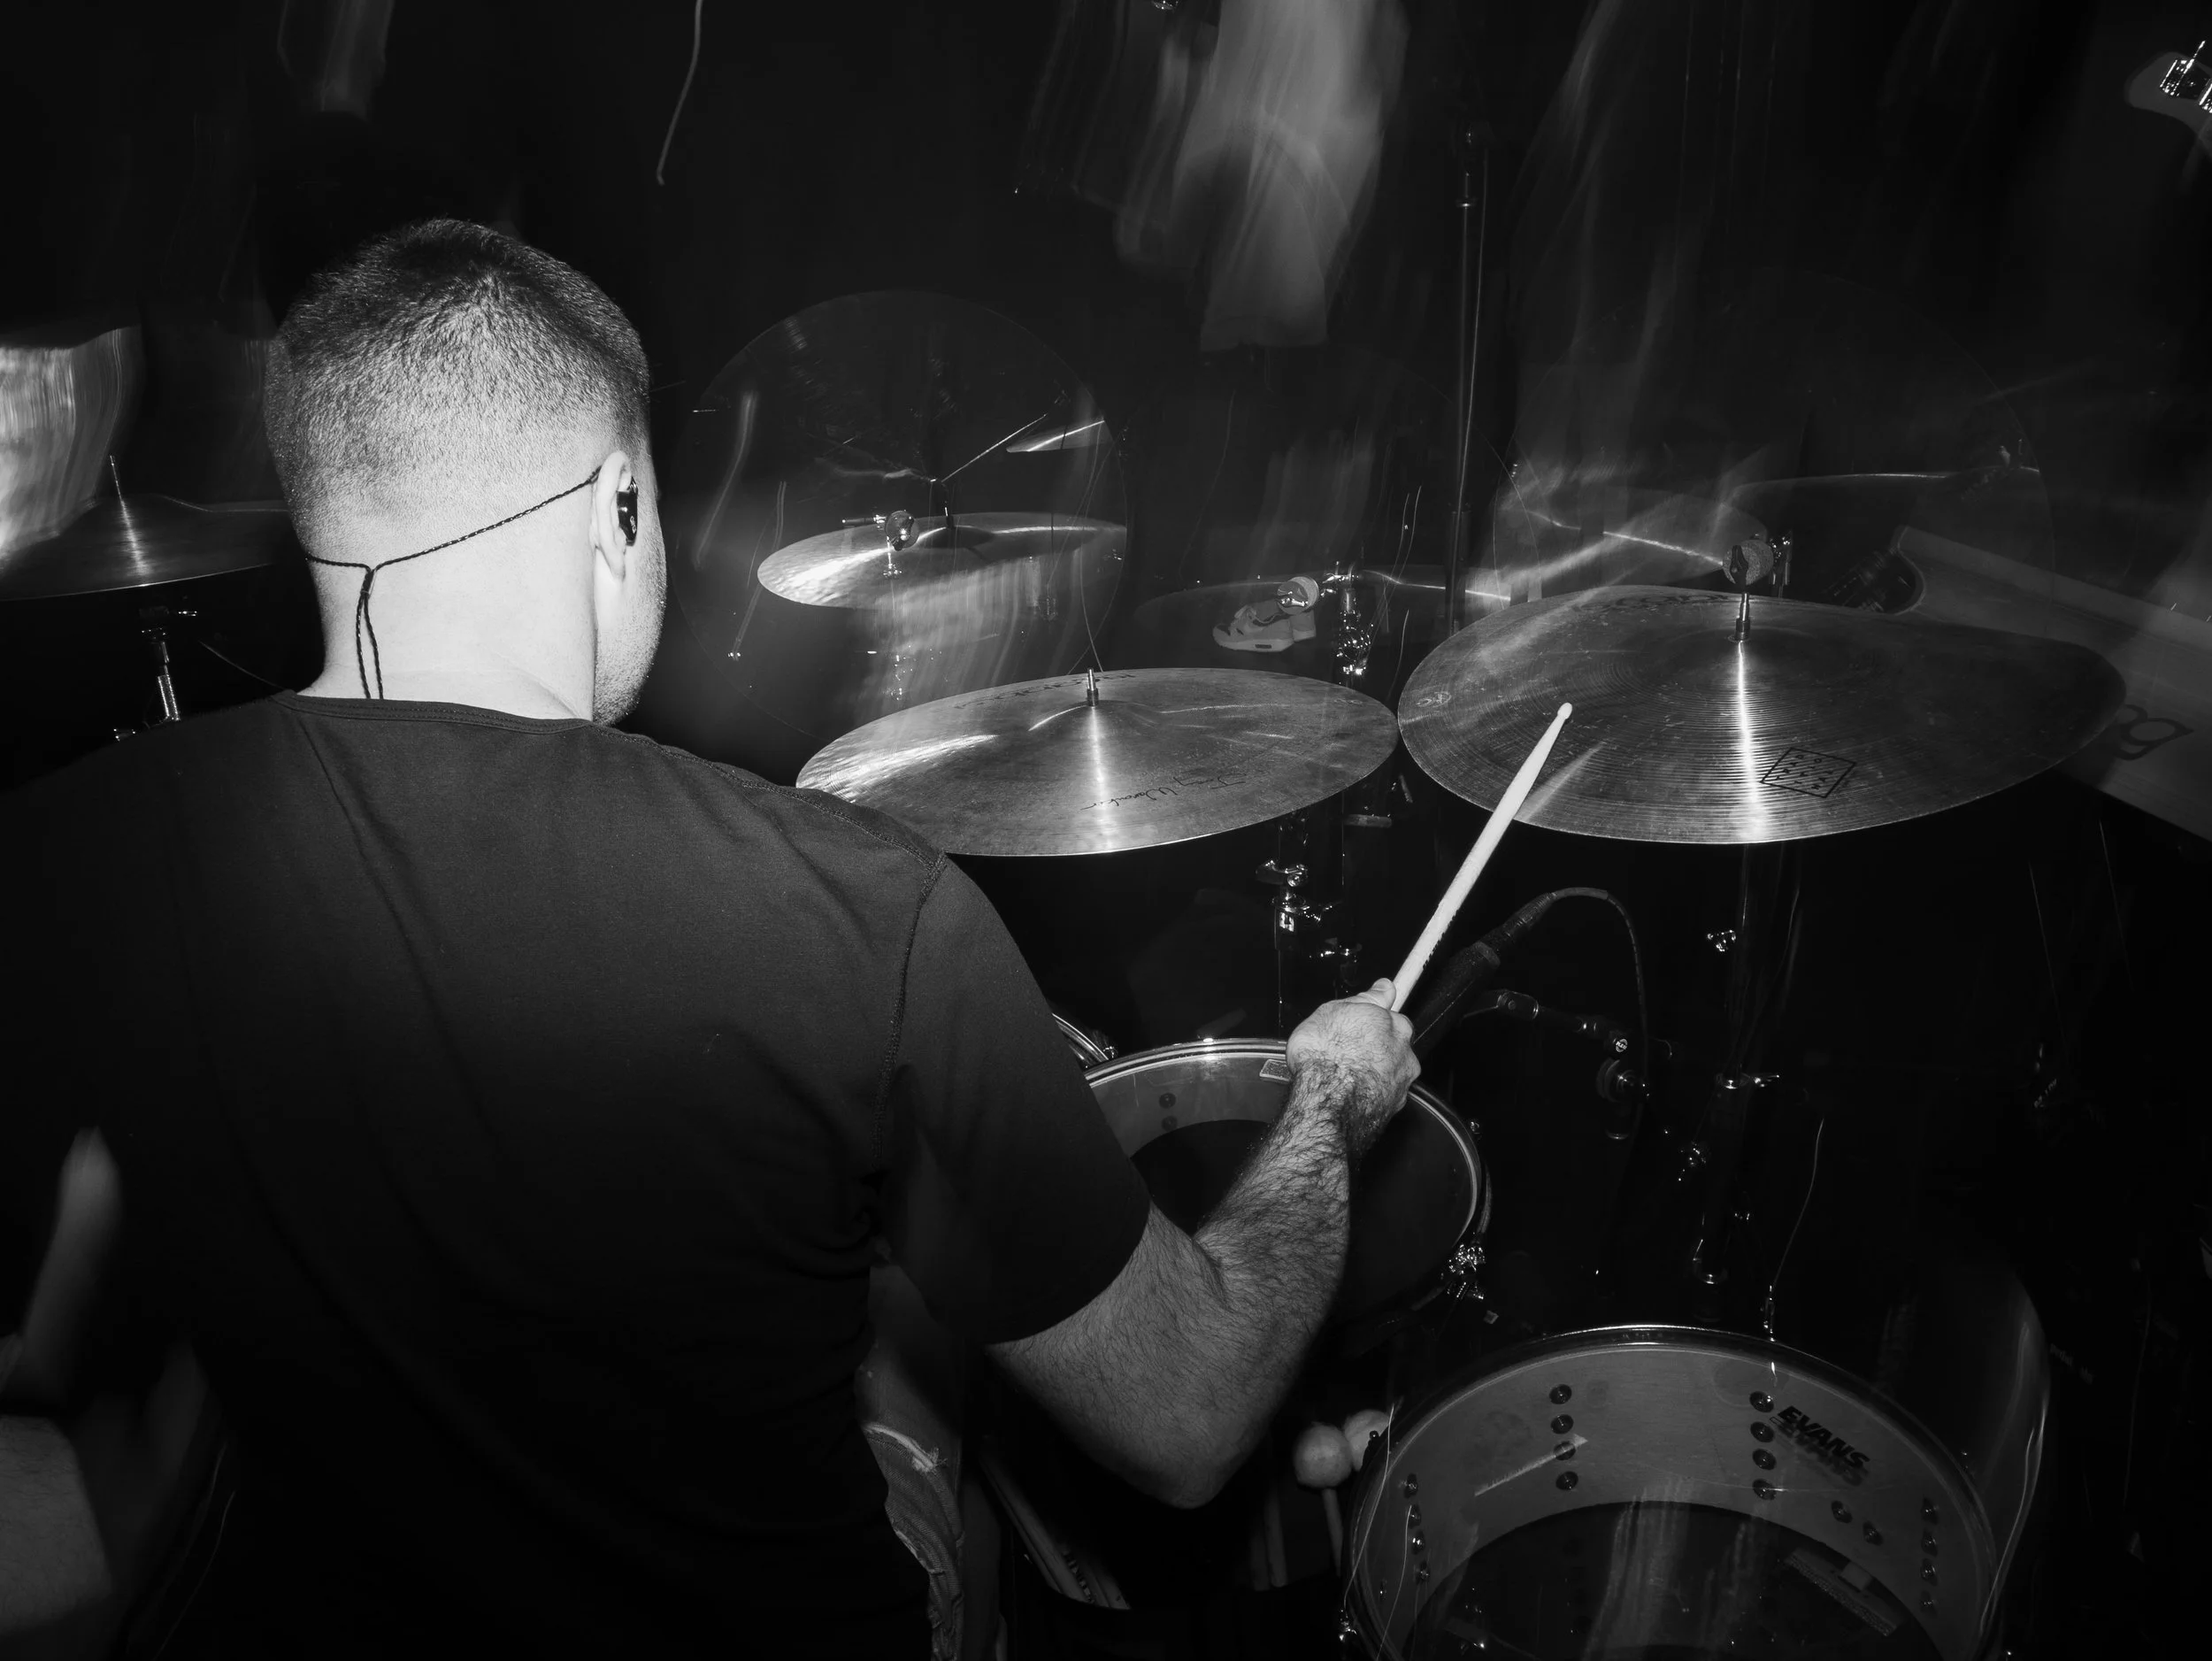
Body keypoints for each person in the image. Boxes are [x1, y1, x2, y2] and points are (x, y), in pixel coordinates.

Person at [0, 219, 1417, 1657]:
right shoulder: (862, 912)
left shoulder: (53, 860)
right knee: (924, 1363)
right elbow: (1188, 1420)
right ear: (621, 503)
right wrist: (1331, 1102)